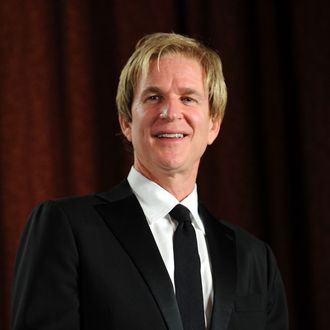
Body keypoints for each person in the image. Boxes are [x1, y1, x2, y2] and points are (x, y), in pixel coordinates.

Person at [11, 32, 289, 330]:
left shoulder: (255, 258)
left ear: (214, 124)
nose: (171, 112)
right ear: (126, 122)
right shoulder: (65, 227)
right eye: (154, 97)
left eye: (188, 98)